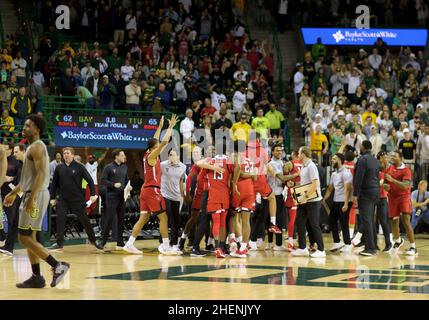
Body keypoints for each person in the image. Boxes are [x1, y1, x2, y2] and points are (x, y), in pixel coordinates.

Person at [3, 115, 70, 288]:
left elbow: (41, 174)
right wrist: (14, 193)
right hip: (32, 193)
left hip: (37, 195)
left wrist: (31, 198)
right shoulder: (32, 147)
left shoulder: (38, 147)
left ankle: (57, 265)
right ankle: (37, 277)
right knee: (29, 236)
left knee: (23, 237)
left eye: (27, 126)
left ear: (37, 129)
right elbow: (28, 178)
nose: (24, 128)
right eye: (24, 125)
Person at [123, 115, 179, 255]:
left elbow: (156, 140)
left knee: (144, 218)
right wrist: (171, 127)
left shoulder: (147, 153)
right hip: (152, 190)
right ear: (154, 148)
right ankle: (165, 246)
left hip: (145, 191)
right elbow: (164, 142)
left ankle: (129, 244)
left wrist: (159, 127)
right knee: (163, 217)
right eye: (156, 146)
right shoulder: (152, 156)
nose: (158, 146)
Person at [49, 147, 99, 251]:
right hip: (63, 199)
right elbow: (54, 184)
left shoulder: (79, 167)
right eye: (64, 153)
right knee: (60, 219)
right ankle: (59, 243)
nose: (65, 155)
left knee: (85, 220)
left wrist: (93, 194)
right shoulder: (59, 167)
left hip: (77, 199)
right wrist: (52, 197)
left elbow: (89, 180)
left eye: (67, 153)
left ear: (72, 155)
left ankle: (93, 241)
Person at [291, 146, 326, 258]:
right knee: (299, 221)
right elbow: (304, 183)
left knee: (314, 224)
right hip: (305, 200)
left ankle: (321, 250)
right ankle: (302, 248)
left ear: (303, 154)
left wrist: (305, 196)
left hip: (313, 201)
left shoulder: (311, 167)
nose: (298, 155)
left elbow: (315, 184)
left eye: (299, 153)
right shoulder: (304, 166)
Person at [197, 152, 232, 258]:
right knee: (222, 223)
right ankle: (222, 247)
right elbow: (232, 178)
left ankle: (217, 247)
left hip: (213, 194)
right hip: (225, 195)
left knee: (215, 222)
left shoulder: (210, 161)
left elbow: (199, 178)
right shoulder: (230, 161)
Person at [384, 150, 417, 256]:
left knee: (406, 221)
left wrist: (392, 180)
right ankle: (398, 241)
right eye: (392, 156)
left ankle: (413, 247)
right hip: (392, 197)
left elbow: (405, 186)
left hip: (404, 198)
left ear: (401, 158)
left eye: (395, 156)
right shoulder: (389, 168)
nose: (392, 157)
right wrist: (385, 186)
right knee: (393, 221)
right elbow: (385, 183)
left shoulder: (407, 170)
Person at [97, 149, 130, 250]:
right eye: (122, 155)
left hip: (122, 197)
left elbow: (126, 180)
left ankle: (120, 242)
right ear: (116, 156)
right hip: (111, 196)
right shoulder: (108, 167)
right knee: (109, 218)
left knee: (121, 219)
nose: (124, 157)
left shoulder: (125, 167)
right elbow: (103, 181)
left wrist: (129, 187)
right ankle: (103, 241)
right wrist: (113, 184)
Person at [353, 140, 380, 256]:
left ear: (363, 148)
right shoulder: (375, 160)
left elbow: (359, 178)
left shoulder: (362, 159)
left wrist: (355, 194)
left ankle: (370, 248)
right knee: (371, 220)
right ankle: (372, 245)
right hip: (375, 192)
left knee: (366, 220)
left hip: (366, 193)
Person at [322, 153, 353, 253]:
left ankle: (348, 244)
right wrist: (324, 198)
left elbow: (347, 189)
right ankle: (337, 242)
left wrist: (346, 204)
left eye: (334, 159)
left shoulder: (346, 173)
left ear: (340, 160)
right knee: (331, 220)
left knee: (344, 223)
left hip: (344, 201)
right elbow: (330, 188)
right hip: (336, 201)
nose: (332, 160)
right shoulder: (334, 174)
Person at [230, 144, 257, 257]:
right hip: (250, 190)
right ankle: (244, 247)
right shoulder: (253, 160)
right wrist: (249, 175)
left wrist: (234, 184)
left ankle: (232, 239)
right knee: (246, 220)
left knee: (233, 215)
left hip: (239, 189)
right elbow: (255, 177)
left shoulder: (237, 157)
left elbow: (237, 170)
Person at [0, 144, 24, 256]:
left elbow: (21, 180)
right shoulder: (4, 159)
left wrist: (9, 179)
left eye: (16, 151)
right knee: (13, 220)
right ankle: (8, 246)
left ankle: (9, 246)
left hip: (14, 193)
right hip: (8, 192)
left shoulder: (19, 162)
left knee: (13, 220)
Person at [160, 149, 186, 253]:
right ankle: (163, 241)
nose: (172, 157)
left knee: (176, 220)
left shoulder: (183, 167)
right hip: (164, 194)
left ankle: (174, 244)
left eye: (174, 155)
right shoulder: (162, 165)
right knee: (166, 217)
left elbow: (180, 180)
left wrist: (182, 195)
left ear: (178, 156)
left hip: (176, 196)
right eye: (170, 155)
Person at [375, 151, 393, 252]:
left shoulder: (390, 169)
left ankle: (388, 243)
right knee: (373, 221)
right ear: (379, 158)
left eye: (387, 157)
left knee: (384, 220)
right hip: (374, 196)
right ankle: (373, 244)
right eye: (384, 157)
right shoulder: (376, 167)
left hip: (383, 196)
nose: (386, 159)